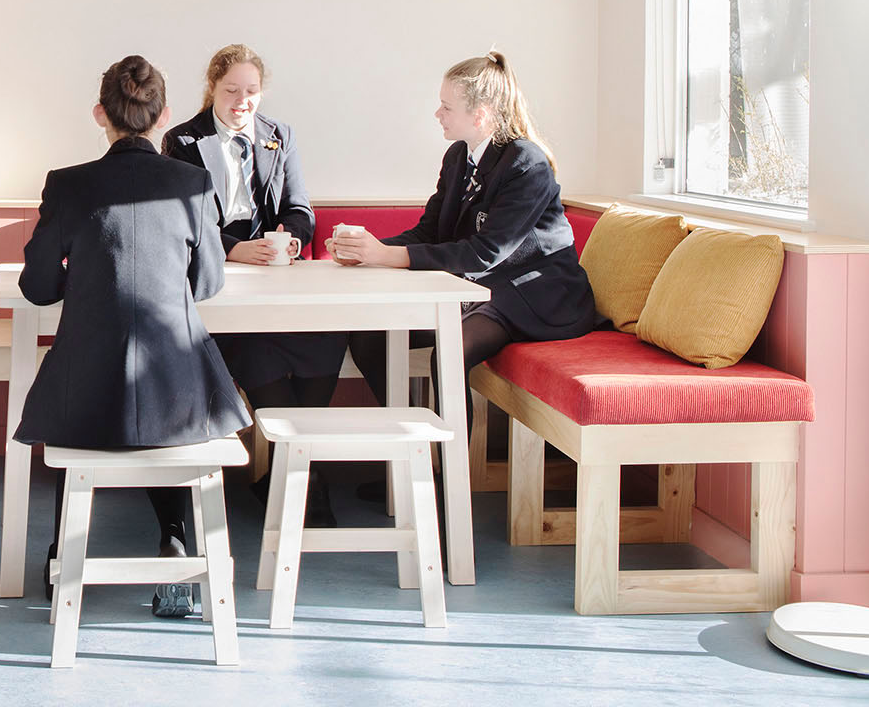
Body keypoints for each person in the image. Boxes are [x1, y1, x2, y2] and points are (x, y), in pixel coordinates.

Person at [15, 55, 249, 619]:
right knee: (166, 415)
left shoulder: (67, 185)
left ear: (101, 114)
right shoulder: (193, 182)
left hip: (85, 398)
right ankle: (174, 534)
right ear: (164, 115)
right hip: (180, 396)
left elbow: (38, 287)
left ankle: (61, 553)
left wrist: (88, 275)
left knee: (77, 416)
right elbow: (208, 283)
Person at [333, 51, 599, 412]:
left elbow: (485, 251)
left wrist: (386, 256)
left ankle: (447, 467)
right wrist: (367, 250)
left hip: (535, 294)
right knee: (370, 339)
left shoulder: (526, 163)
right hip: (485, 288)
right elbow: (430, 231)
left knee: (449, 352)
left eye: (446, 107)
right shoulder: (459, 157)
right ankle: (411, 454)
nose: (437, 114)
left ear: (480, 115)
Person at [162, 43, 343, 522]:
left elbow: (300, 205)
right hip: (216, 275)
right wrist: (233, 249)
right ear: (212, 89)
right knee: (253, 345)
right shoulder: (182, 140)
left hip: (276, 272)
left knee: (326, 336)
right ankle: (304, 477)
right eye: (232, 90)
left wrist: (292, 240)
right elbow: (183, 219)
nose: (242, 100)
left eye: (252, 91)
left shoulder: (279, 135)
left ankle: (291, 471)